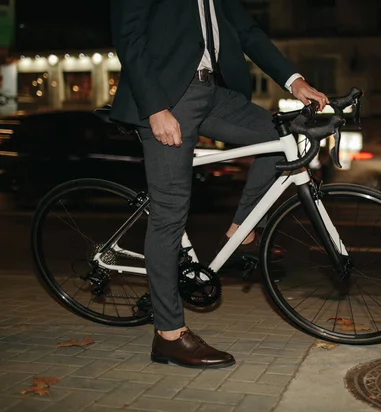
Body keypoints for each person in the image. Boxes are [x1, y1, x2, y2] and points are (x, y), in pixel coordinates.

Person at [109, 0, 329, 369]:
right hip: (166, 98)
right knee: (169, 213)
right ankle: (169, 335)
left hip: (211, 93)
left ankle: (242, 231)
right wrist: (155, 109)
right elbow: (129, 36)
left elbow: (247, 32)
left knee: (280, 137)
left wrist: (294, 81)